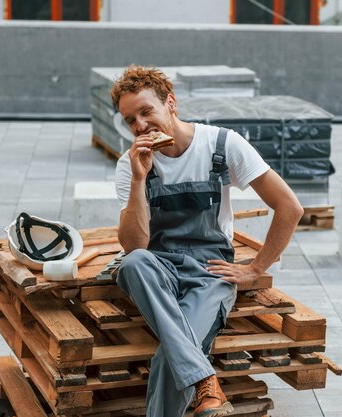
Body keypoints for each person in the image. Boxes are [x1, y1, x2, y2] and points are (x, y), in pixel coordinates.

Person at [111, 65, 304, 417]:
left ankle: (200, 379)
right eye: (130, 120)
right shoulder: (130, 164)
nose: (140, 125)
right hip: (160, 267)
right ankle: (205, 381)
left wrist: (257, 267)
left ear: (171, 103)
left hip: (210, 271)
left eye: (146, 111)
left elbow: (289, 206)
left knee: (170, 357)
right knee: (134, 263)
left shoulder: (222, 144)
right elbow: (134, 246)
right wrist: (140, 179)